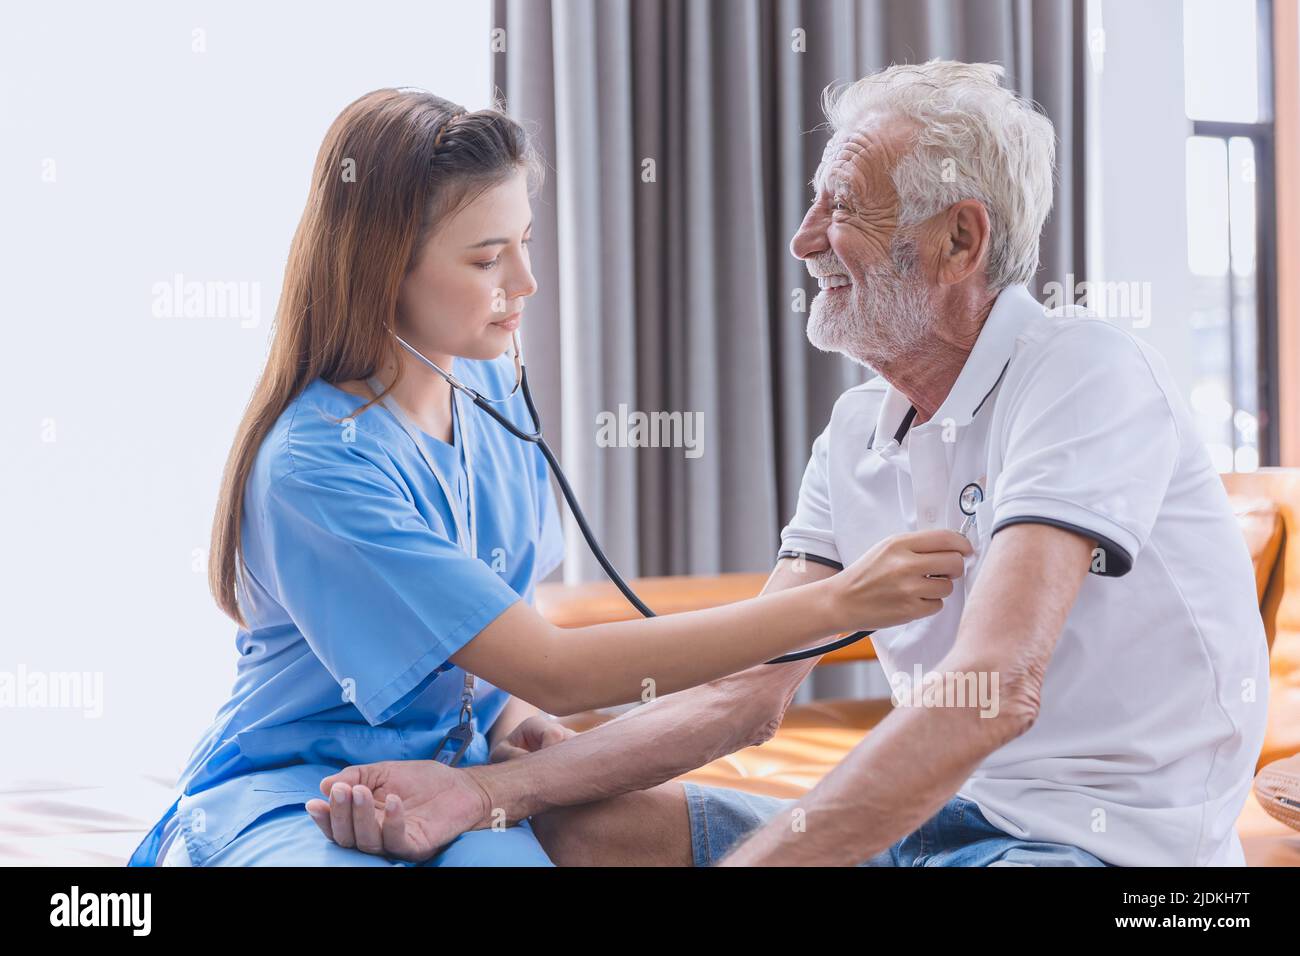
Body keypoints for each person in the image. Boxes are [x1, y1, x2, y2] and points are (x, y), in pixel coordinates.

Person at [310, 62, 1271, 868]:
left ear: (958, 240)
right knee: (574, 828)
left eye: (841, 207)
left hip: (1104, 850)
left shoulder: (1082, 373)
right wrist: (485, 792)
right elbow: (743, 694)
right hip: (938, 823)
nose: (805, 239)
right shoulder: (857, 431)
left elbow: (995, 691)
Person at [125, 87, 970, 867]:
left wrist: (514, 722)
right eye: (488, 259)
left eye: (524, 244)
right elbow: (554, 664)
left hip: (447, 773)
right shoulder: (317, 466)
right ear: (384, 268)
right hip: (294, 789)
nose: (525, 284)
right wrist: (841, 604)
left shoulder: (486, 389)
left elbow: (498, 626)